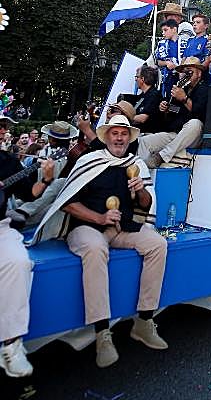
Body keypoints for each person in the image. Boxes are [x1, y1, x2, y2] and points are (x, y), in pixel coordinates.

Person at [34, 114, 168, 368]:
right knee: (95, 249)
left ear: (129, 138)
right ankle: (102, 333)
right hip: (87, 228)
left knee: (158, 245)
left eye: (124, 134)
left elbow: (146, 204)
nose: (119, 138)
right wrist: (100, 217)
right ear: (106, 137)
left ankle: (144, 321)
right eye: (115, 133)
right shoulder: (89, 160)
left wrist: (139, 188)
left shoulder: (136, 163)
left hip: (121, 227)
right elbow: (68, 204)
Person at [0, 115, 56, 377]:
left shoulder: (7, 161)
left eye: (3, 127)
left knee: (19, 262)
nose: (2, 131)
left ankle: (11, 345)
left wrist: (45, 179)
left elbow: (30, 193)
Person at [138, 58, 208, 168]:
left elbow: (199, 113)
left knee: (195, 123)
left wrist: (184, 98)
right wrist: (165, 109)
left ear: (199, 73)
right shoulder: (181, 88)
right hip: (176, 134)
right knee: (144, 142)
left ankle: (161, 157)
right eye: (184, 71)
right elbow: (172, 116)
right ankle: (140, 173)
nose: (186, 74)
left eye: (189, 71)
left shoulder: (204, 89)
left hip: (193, 135)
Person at [154, 19, 182, 99]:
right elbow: (158, 61)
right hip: (168, 76)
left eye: (165, 30)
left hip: (182, 76)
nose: (163, 33)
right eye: (162, 31)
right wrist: (166, 63)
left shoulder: (185, 42)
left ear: (174, 29)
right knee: (167, 99)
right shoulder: (161, 44)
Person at [133, 66, 162, 134]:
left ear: (142, 79)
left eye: (137, 77)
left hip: (147, 135)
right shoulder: (142, 95)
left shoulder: (154, 95)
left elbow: (143, 118)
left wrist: (124, 116)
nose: (135, 79)